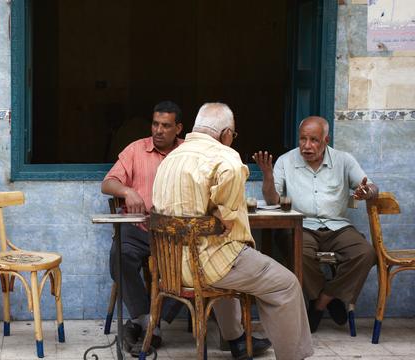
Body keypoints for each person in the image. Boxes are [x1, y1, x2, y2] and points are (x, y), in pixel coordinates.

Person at [153, 103, 312, 360]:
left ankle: (237, 340)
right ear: (226, 133)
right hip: (208, 265)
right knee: (286, 284)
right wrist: (217, 215)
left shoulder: (170, 158)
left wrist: (211, 213)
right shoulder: (226, 158)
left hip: (171, 266)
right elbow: (227, 223)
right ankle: (294, 356)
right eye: (233, 135)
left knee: (233, 262)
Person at [252, 116, 378, 333]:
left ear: (325, 140)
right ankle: (332, 298)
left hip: (337, 226)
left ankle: (321, 301)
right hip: (302, 226)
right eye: (303, 139)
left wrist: (367, 192)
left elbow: (371, 187)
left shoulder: (344, 160)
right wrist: (267, 176)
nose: (307, 146)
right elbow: (273, 201)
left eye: (314, 140)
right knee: (298, 251)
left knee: (365, 253)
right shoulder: (285, 161)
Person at [101, 100, 184, 354]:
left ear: (178, 128)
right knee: (119, 255)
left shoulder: (188, 153)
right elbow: (108, 183)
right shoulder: (136, 150)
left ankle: (149, 323)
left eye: (166, 126)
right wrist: (127, 191)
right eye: (155, 124)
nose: (158, 130)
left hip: (174, 232)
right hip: (138, 228)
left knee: (192, 262)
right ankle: (146, 320)